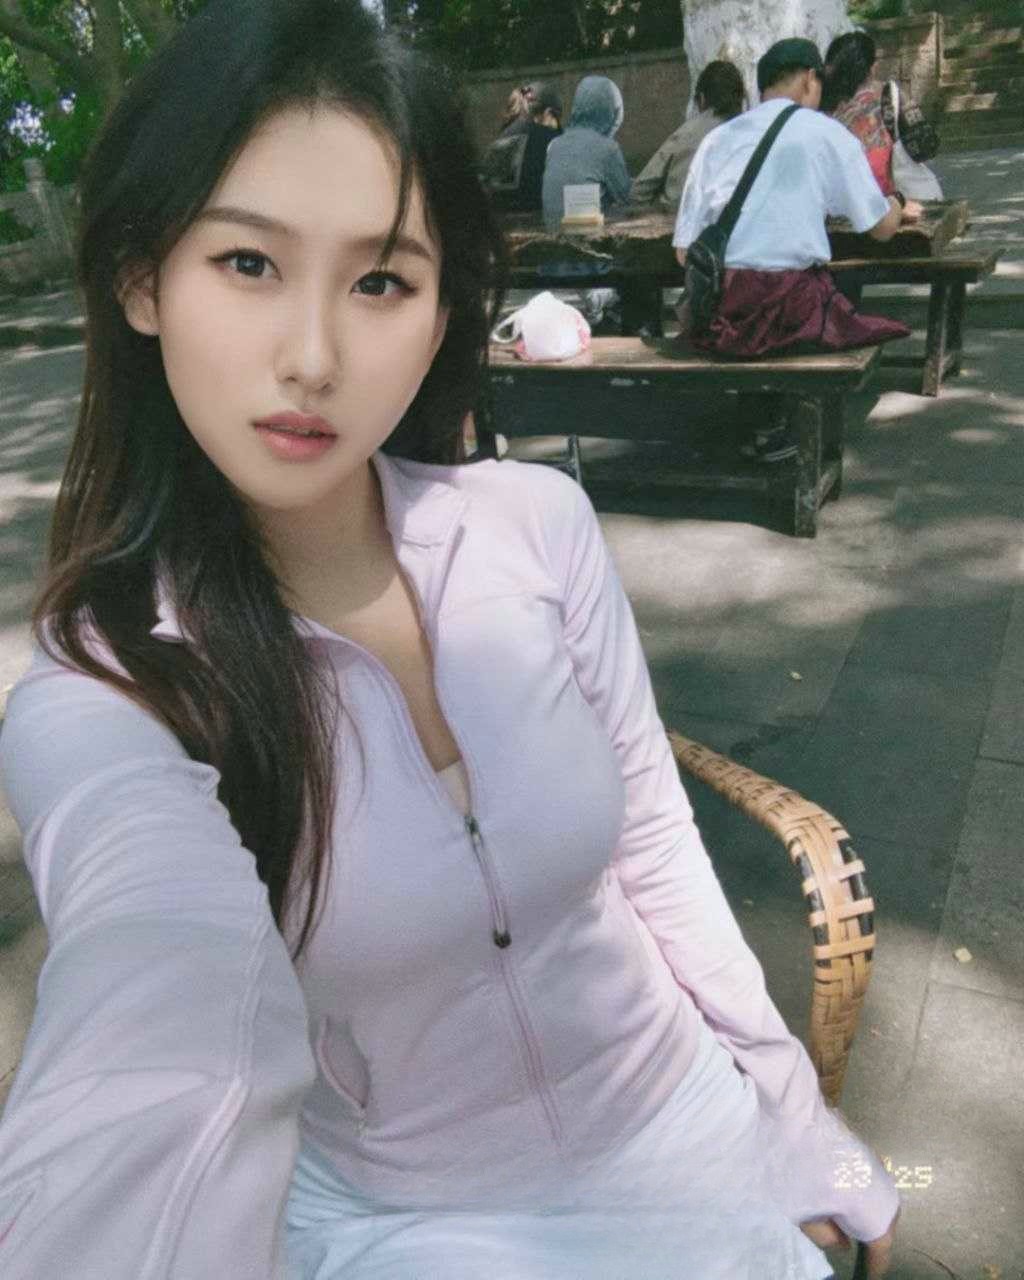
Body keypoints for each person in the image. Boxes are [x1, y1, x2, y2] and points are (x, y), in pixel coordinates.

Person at [0, 3, 899, 1277]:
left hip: (683, 1115)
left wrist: (797, 1118)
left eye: (380, 280)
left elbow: (651, 838)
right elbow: (149, 1026)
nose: (312, 358)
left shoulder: (537, 523)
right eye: (248, 262)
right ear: (143, 279)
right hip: (416, 1220)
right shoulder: (113, 687)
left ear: (439, 312)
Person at [673, 37, 917, 461]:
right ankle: (788, 420)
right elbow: (879, 229)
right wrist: (897, 203)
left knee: (785, 297)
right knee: (843, 301)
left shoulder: (717, 139)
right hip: (789, 310)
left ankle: (762, 416)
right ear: (808, 80)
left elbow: (683, 253)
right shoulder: (826, 133)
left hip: (719, 314)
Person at [824, 32, 942, 204]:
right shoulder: (888, 94)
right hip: (896, 204)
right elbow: (925, 148)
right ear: (872, 67)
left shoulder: (822, 105)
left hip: (847, 206)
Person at [631, 59, 745, 213]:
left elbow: (639, 190)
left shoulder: (688, 132)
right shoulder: (753, 133)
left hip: (676, 221)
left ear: (702, 98)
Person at [541, 74, 631, 230]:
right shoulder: (608, 149)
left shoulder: (554, 145)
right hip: (589, 234)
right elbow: (626, 197)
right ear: (612, 111)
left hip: (553, 232)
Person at [481, 82, 563, 213]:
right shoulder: (551, 139)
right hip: (539, 218)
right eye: (556, 120)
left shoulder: (500, 140)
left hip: (498, 218)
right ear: (548, 113)